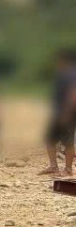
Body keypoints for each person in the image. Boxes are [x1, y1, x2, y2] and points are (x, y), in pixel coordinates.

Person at [44, 49, 76, 177]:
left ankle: (68, 169)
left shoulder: (72, 74)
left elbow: (73, 94)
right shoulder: (61, 74)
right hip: (57, 111)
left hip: (67, 112)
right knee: (49, 138)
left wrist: (66, 112)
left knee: (67, 141)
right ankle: (53, 166)